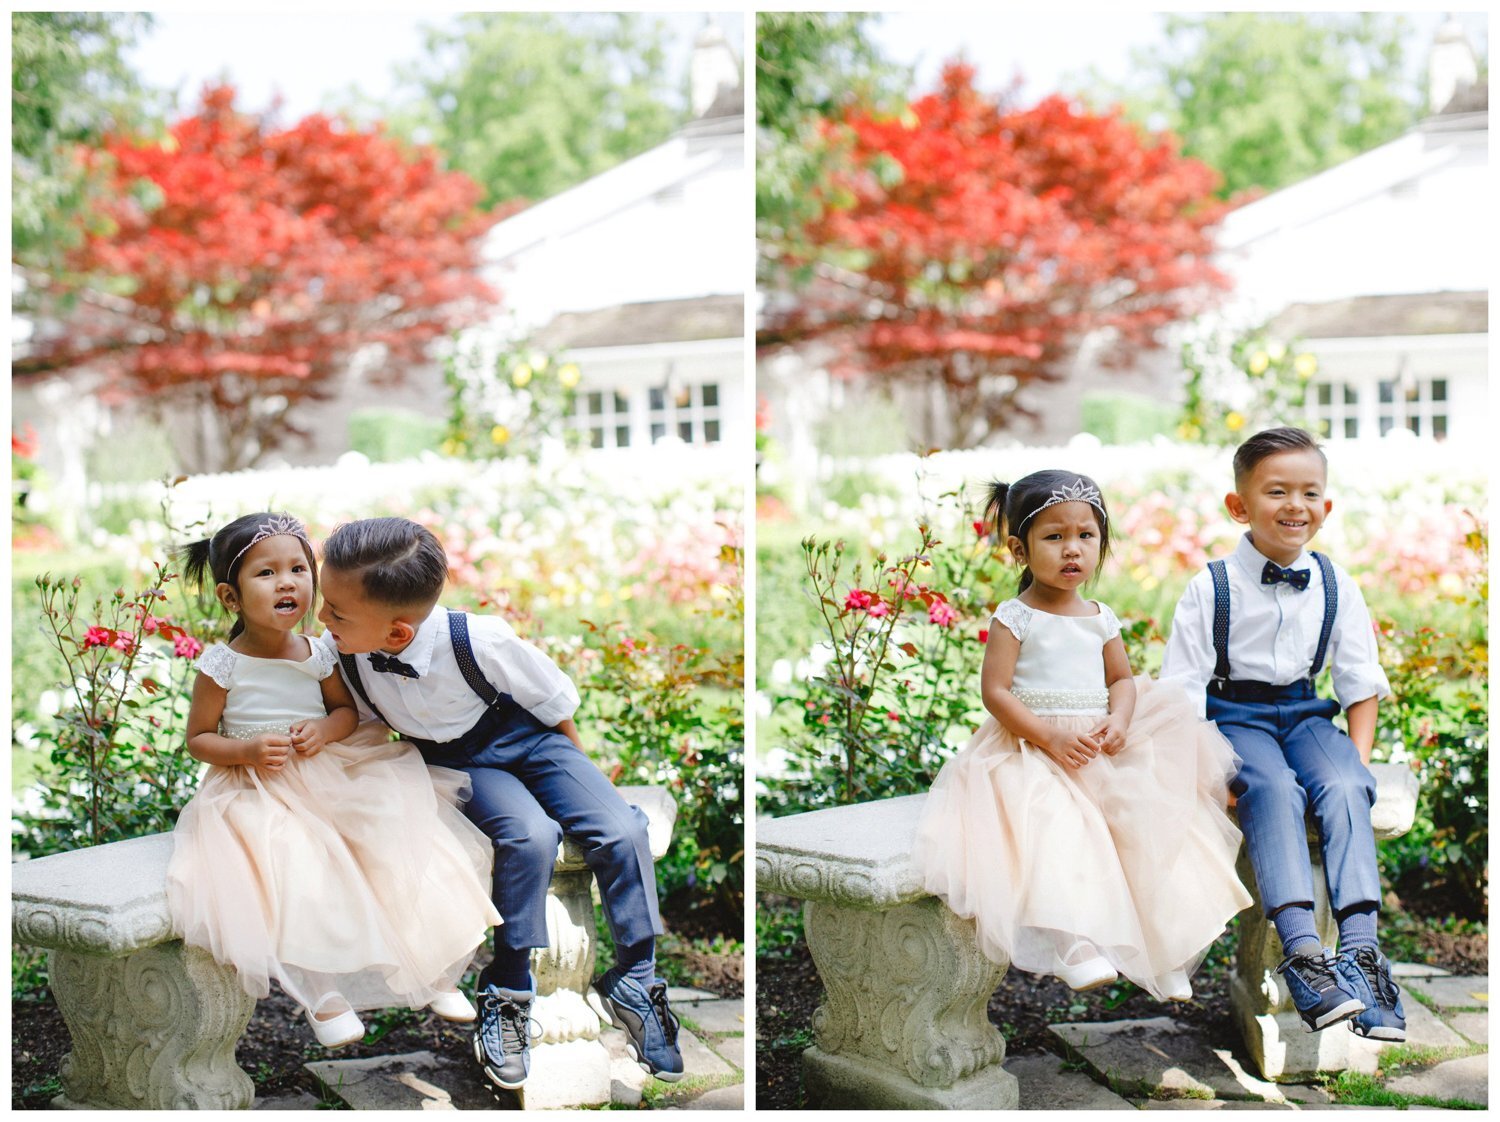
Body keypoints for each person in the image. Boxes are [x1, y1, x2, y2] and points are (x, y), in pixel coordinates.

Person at [314, 517, 684, 1090]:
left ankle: (637, 976)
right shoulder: (350, 658)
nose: (323, 619)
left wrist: (581, 786)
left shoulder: (479, 642)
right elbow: (357, 729)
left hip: (533, 741)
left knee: (621, 828)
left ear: (397, 633)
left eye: (335, 613)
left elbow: (555, 703)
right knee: (530, 836)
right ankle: (508, 991)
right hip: (460, 764)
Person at [165, 512, 500, 1049]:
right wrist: (246, 750)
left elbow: (346, 714)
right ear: (231, 598)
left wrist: (323, 730)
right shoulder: (223, 665)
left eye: (298, 568)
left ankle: (433, 974)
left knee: (393, 833)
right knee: (292, 862)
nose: (288, 582)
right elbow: (200, 739)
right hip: (258, 786)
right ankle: (324, 999)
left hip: (334, 770)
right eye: (267, 573)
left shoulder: (319, 651)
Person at [915, 470, 1252, 1001]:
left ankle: (1161, 951)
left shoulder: (1101, 618)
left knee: (1146, 825)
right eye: (1053, 537)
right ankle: (1074, 944)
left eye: (1085, 536)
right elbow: (996, 692)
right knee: (1056, 827)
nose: (1072, 550)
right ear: (1018, 548)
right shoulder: (1016, 617)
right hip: (1032, 748)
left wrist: (1119, 722)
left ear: (1101, 542)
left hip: (1096, 746)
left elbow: (1120, 679)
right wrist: (1048, 737)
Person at [1161, 426, 1405, 1040]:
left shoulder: (1335, 583)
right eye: (1276, 491)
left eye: (1309, 492)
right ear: (1239, 506)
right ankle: (1303, 955)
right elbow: (1184, 690)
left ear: (1326, 506)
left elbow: (1358, 680)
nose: (1295, 505)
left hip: (1304, 714)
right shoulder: (1209, 586)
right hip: (1234, 716)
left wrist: (1358, 760)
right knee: (1269, 788)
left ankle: (1361, 955)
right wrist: (1209, 774)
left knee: (1348, 782)